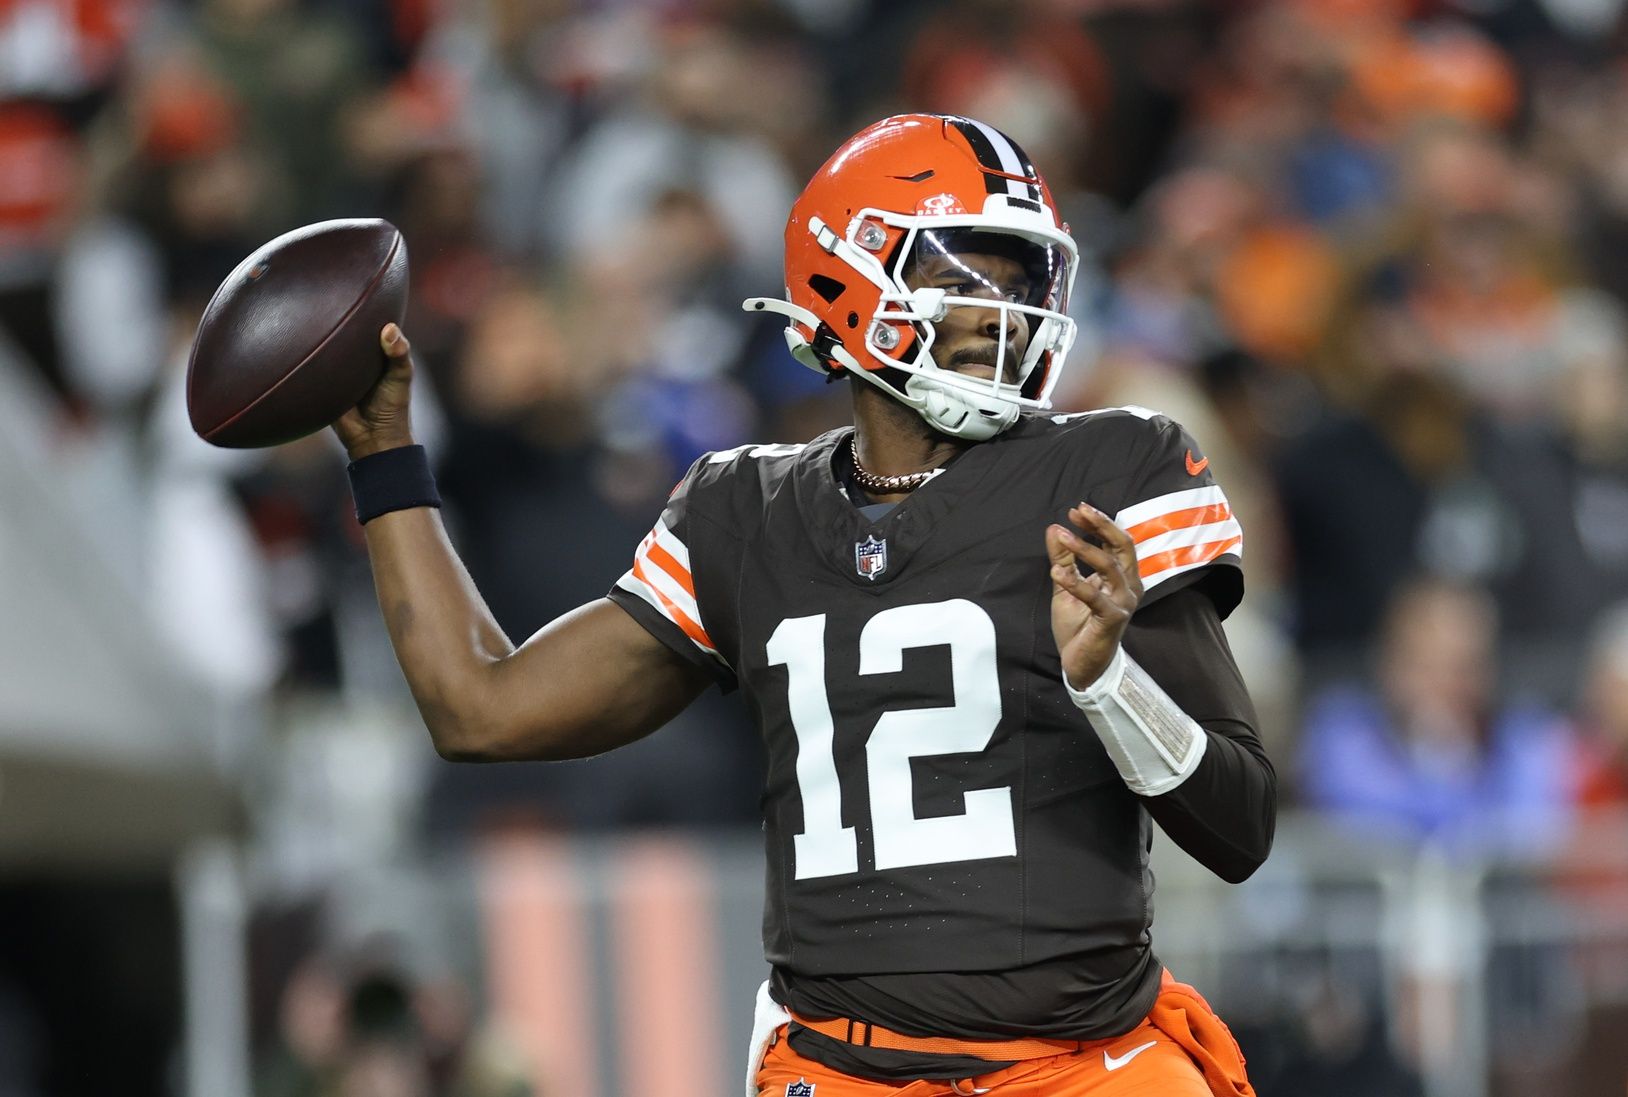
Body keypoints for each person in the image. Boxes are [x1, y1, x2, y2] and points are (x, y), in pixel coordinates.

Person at [334, 114, 1275, 1097]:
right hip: (843, 1067)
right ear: (847, 279)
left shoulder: (1109, 469)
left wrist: (1109, 680)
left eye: (1018, 278)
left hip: (1084, 1066)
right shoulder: (744, 510)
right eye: (965, 276)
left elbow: (1239, 825)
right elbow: (478, 706)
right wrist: (384, 455)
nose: (1003, 310)